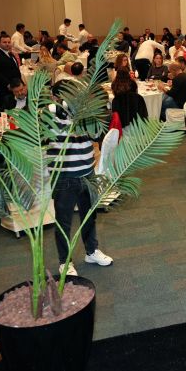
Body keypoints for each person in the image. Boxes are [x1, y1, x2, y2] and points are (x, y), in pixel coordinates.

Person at [48, 82, 112, 277]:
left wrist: (86, 113)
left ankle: (91, 251)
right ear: (55, 98)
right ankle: (64, 261)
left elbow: (97, 133)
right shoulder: (47, 116)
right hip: (64, 176)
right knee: (64, 222)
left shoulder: (84, 115)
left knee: (89, 216)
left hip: (87, 172)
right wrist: (59, 111)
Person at [0, 34, 22, 108]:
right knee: (5, 110)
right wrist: (8, 84)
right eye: (4, 42)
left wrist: (21, 83)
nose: (7, 44)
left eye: (9, 42)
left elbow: (16, 69)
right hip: (2, 89)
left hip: (14, 87)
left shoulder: (10, 54)